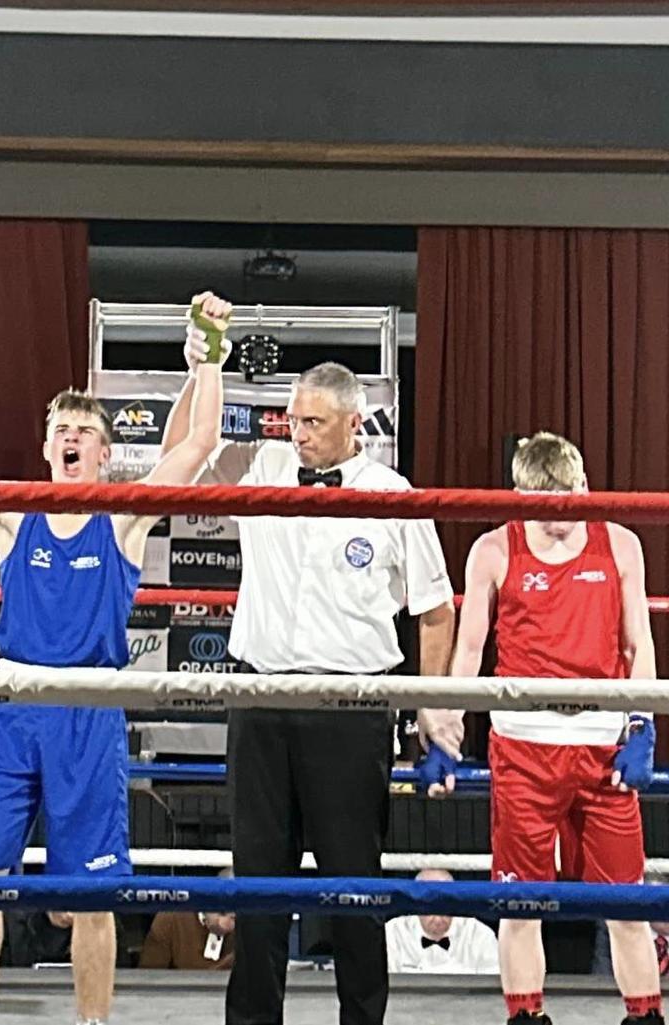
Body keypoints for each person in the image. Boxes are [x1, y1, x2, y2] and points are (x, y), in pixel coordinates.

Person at [0, 291, 231, 1025]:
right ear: (47, 446)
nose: (72, 437)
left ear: (105, 451)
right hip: (14, 709)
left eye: (85, 429)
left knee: (91, 894)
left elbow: (198, 443)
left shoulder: (124, 518)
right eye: (61, 429)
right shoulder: (14, 513)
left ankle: (92, 1024)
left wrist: (207, 356)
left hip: (88, 711)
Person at [160, 357, 457, 1025]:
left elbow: (436, 610)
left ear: (356, 423)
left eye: (315, 422)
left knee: (354, 883)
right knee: (260, 881)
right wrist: (199, 365)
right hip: (259, 699)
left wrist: (433, 711)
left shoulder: (392, 492)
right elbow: (183, 450)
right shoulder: (264, 466)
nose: (299, 433)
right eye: (294, 418)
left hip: (349, 710)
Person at [444, 431, 663, 1025]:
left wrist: (643, 725)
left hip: (602, 745)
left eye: (568, 502)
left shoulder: (620, 543)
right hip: (523, 743)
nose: (560, 520)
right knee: (520, 902)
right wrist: (441, 729)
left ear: (584, 487)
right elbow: (468, 651)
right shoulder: (494, 548)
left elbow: (639, 643)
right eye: (545, 506)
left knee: (628, 901)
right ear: (519, 497)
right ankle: (525, 1016)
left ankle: (645, 1017)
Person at [385, 868, 499, 974]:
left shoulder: (480, 934)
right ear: (416, 904)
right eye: (430, 905)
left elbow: (493, 983)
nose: (438, 915)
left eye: (444, 904)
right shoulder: (393, 932)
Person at [138, 909, 235, 970]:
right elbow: (148, 978)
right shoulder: (170, 918)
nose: (226, 922)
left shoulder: (247, 922)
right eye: (221, 912)